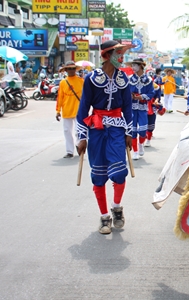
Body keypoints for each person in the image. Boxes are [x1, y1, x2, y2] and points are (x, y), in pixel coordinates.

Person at [76, 40, 134, 235]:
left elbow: (128, 108)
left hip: (117, 130)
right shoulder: (91, 78)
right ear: (108, 55)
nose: (122, 57)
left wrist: (128, 132)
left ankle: (117, 207)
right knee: (98, 176)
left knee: (119, 173)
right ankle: (104, 218)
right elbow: (83, 108)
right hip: (97, 130)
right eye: (119, 53)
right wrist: (82, 136)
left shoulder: (124, 80)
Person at [125, 58, 154, 160]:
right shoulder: (129, 79)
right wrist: (131, 96)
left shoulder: (149, 80)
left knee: (142, 130)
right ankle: (135, 151)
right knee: (132, 130)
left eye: (135, 65)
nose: (133, 67)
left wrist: (142, 97)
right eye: (132, 65)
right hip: (132, 108)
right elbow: (125, 93)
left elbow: (151, 93)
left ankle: (141, 143)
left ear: (141, 66)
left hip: (142, 108)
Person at [56, 61, 84, 158]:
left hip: (79, 110)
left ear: (75, 69)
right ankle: (69, 151)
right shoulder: (63, 82)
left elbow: (87, 96)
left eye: (73, 68)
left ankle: (78, 145)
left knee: (78, 131)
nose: (71, 70)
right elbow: (60, 97)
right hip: (67, 110)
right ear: (66, 70)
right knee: (67, 131)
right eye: (69, 69)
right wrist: (58, 111)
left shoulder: (81, 81)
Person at [145, 82, 166, 147]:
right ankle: (142, 140)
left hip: (152, 107)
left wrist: (156, 101)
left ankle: (148, 139)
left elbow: (157, 96)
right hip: (142, 107)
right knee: (142, 125)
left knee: (151, 125)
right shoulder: (139, 85)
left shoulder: (155, 86)